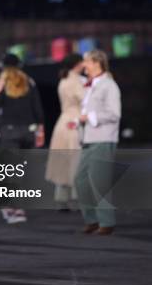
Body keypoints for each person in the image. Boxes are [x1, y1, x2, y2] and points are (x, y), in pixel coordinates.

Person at [0, 54, 45, 224]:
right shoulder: (30, 82)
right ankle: (17, 207)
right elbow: (37, 107)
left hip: (9, 132)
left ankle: (11, 207)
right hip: (28, 132)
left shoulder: (3, 83)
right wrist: (40, 129)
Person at [75, 49, 121, 235]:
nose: (83, 65)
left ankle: (106, 222)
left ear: (96, 63)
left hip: (103, 139)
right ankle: (92, 219)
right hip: (89, 140)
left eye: (86, 62)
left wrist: (90, 117)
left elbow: (114, 114)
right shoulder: (92, 85)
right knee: (81, 180)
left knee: (100, 182)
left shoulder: (109, 85)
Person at [45, 54, 85, 211]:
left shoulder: (64, 79)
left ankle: (61, 196)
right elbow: (85, 99)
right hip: (74, 122)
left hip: (63, 121)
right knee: (76, 159)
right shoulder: (76, 81)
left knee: (63, 159)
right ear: (77, 64)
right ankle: (78, 197)